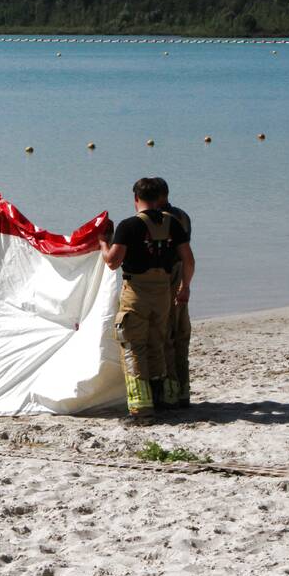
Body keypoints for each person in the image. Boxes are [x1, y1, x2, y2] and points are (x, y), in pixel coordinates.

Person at [99, 177, 194, 417]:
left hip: (137, 291)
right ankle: (167, 397)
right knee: (159, 343)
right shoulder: (174, 223)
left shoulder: (129, 226)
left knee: (133, 345)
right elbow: (189, 260)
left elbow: (112, 261)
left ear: (135, 199)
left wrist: (103, 242)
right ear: (161, 197)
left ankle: (141, 405)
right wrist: (185, 287)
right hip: (163, 290)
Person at [159, 180, 193, 408]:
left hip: (168, 278)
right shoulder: (182, 215)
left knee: (166, 339)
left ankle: (169, 393)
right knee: (180, 337)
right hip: (181, 277)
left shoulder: (162, 220)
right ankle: (182, 392)